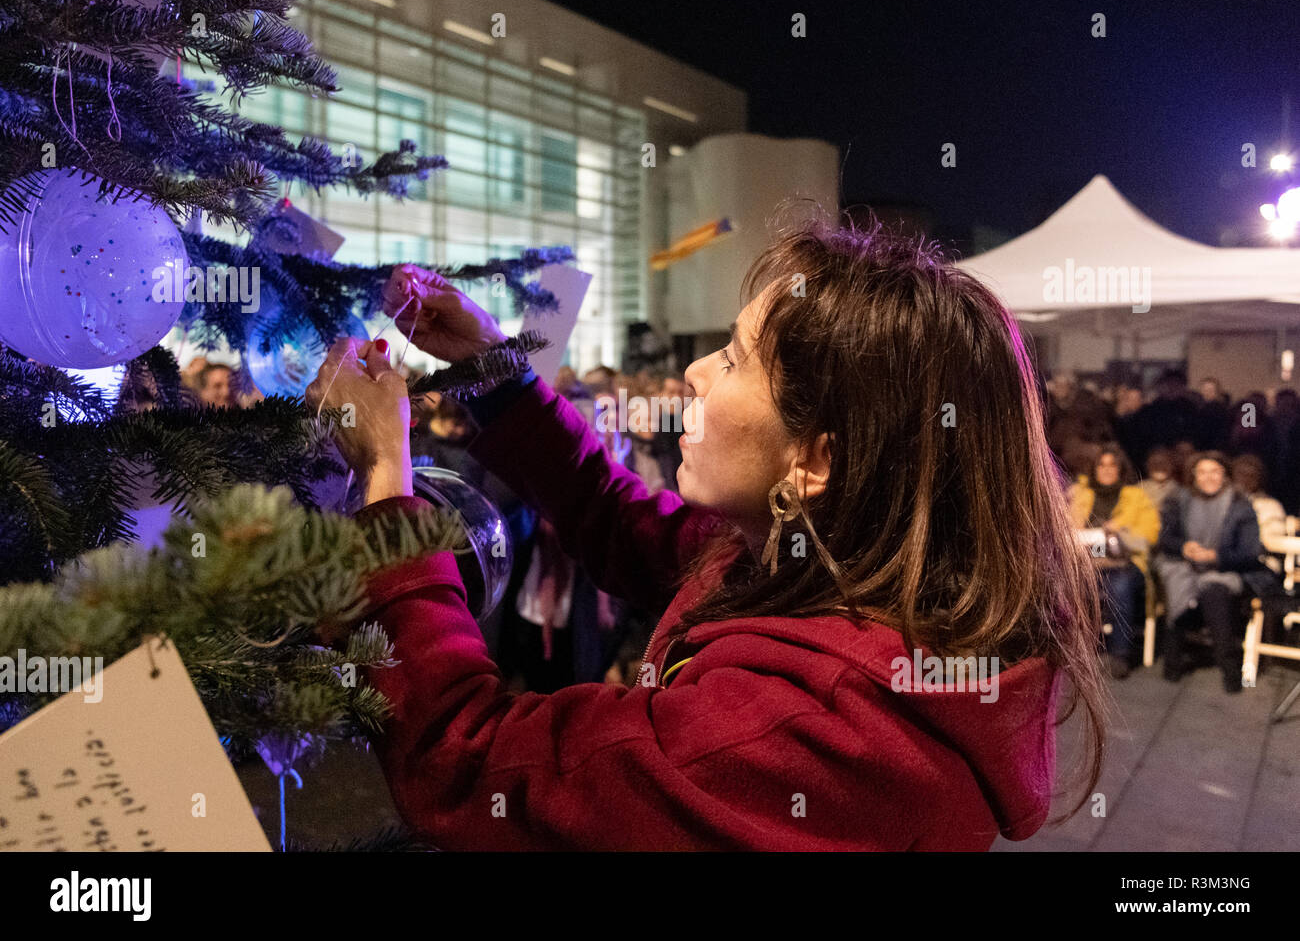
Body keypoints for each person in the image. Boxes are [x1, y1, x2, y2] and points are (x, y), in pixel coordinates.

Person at [305, 222, 1106, 851]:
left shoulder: (801, 734)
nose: (694, 373)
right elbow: (616, 517)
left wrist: (384, 478)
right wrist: (490, 362)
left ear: (815, 459)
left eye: (733, 359)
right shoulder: (814, 565)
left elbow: (470, 765)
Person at [1153, 451, 1271, 693]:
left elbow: (1250, 552)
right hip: (1185, 565)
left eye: (1215, 472)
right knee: (1178, 586)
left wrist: (1216, 556)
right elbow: (1165, 538)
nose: (1209, 477)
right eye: (1203, 472)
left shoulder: (1240, 505)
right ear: (1193, 475)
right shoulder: (1180, 499)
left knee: (1213, 591)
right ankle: (1172, 664)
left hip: (1224, 569)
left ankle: (1229, 669)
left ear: (1225, 475)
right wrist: (1183, 546)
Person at [1068, 444, 1159, 679]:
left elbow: (1148, 537)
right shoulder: (1080, 494)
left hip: (1123, 561)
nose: (1107, 470)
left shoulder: (1136, 497)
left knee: (1118, 587)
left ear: (1121, 469)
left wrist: (1118, 534)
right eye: (1102, 465)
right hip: (1086, 558)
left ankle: (1119, 654)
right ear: (1094, 469)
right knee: (1063, 582)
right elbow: (1064, 529)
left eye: (1112, 466)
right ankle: (1072, 650)